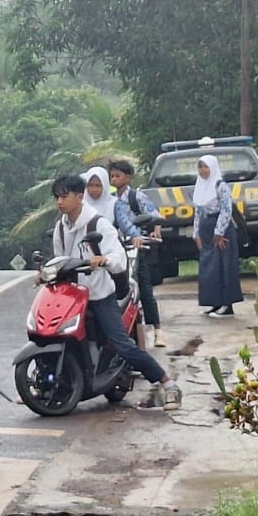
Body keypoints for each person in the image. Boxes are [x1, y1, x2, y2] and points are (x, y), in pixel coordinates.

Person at [50, 174, 181, 410]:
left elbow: (119, 258)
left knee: (122, 344)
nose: (59, 201)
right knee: (54, 334)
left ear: (79, 197)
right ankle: (48, 387)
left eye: (64, 196)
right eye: (57, 197)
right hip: (72, 296)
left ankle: (168, 384)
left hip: (99, 295)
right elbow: (59, 258)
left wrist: (104, 260)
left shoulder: (97, 224)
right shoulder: (61, 226)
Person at [107, 159, 165, 348]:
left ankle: (158, 331)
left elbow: (155, 215)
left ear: (128, 177)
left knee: (144, 289)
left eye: (118, 175)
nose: (114, 179)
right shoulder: (110, 200)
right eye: (112, 176)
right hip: (116, 250)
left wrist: (155, 230)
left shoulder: (136, 197)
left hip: (137, 249)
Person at [193, 155, 243, 317]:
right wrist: (197, 234)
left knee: (224, 266)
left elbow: (226, 209)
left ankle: (227, 304)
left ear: (212, 167)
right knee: (209, 267)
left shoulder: (220, 185)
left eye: (205, 167)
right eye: (200, 167)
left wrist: (219, 232)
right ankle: (214, 302)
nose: (202, 170)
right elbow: (197, 212)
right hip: (206, 230)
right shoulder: (199, 186)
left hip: (221, 231)